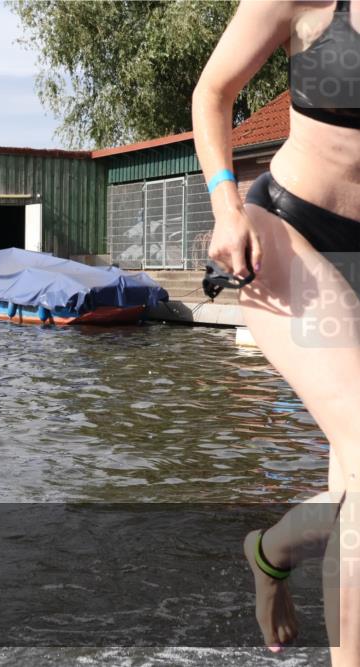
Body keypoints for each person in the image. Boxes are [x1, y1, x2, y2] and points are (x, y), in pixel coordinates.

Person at [192, 1, 360, 659]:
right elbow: (213, 92)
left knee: (353, 495)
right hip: (289, 237)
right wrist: (225, 205)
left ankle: (269, 551)